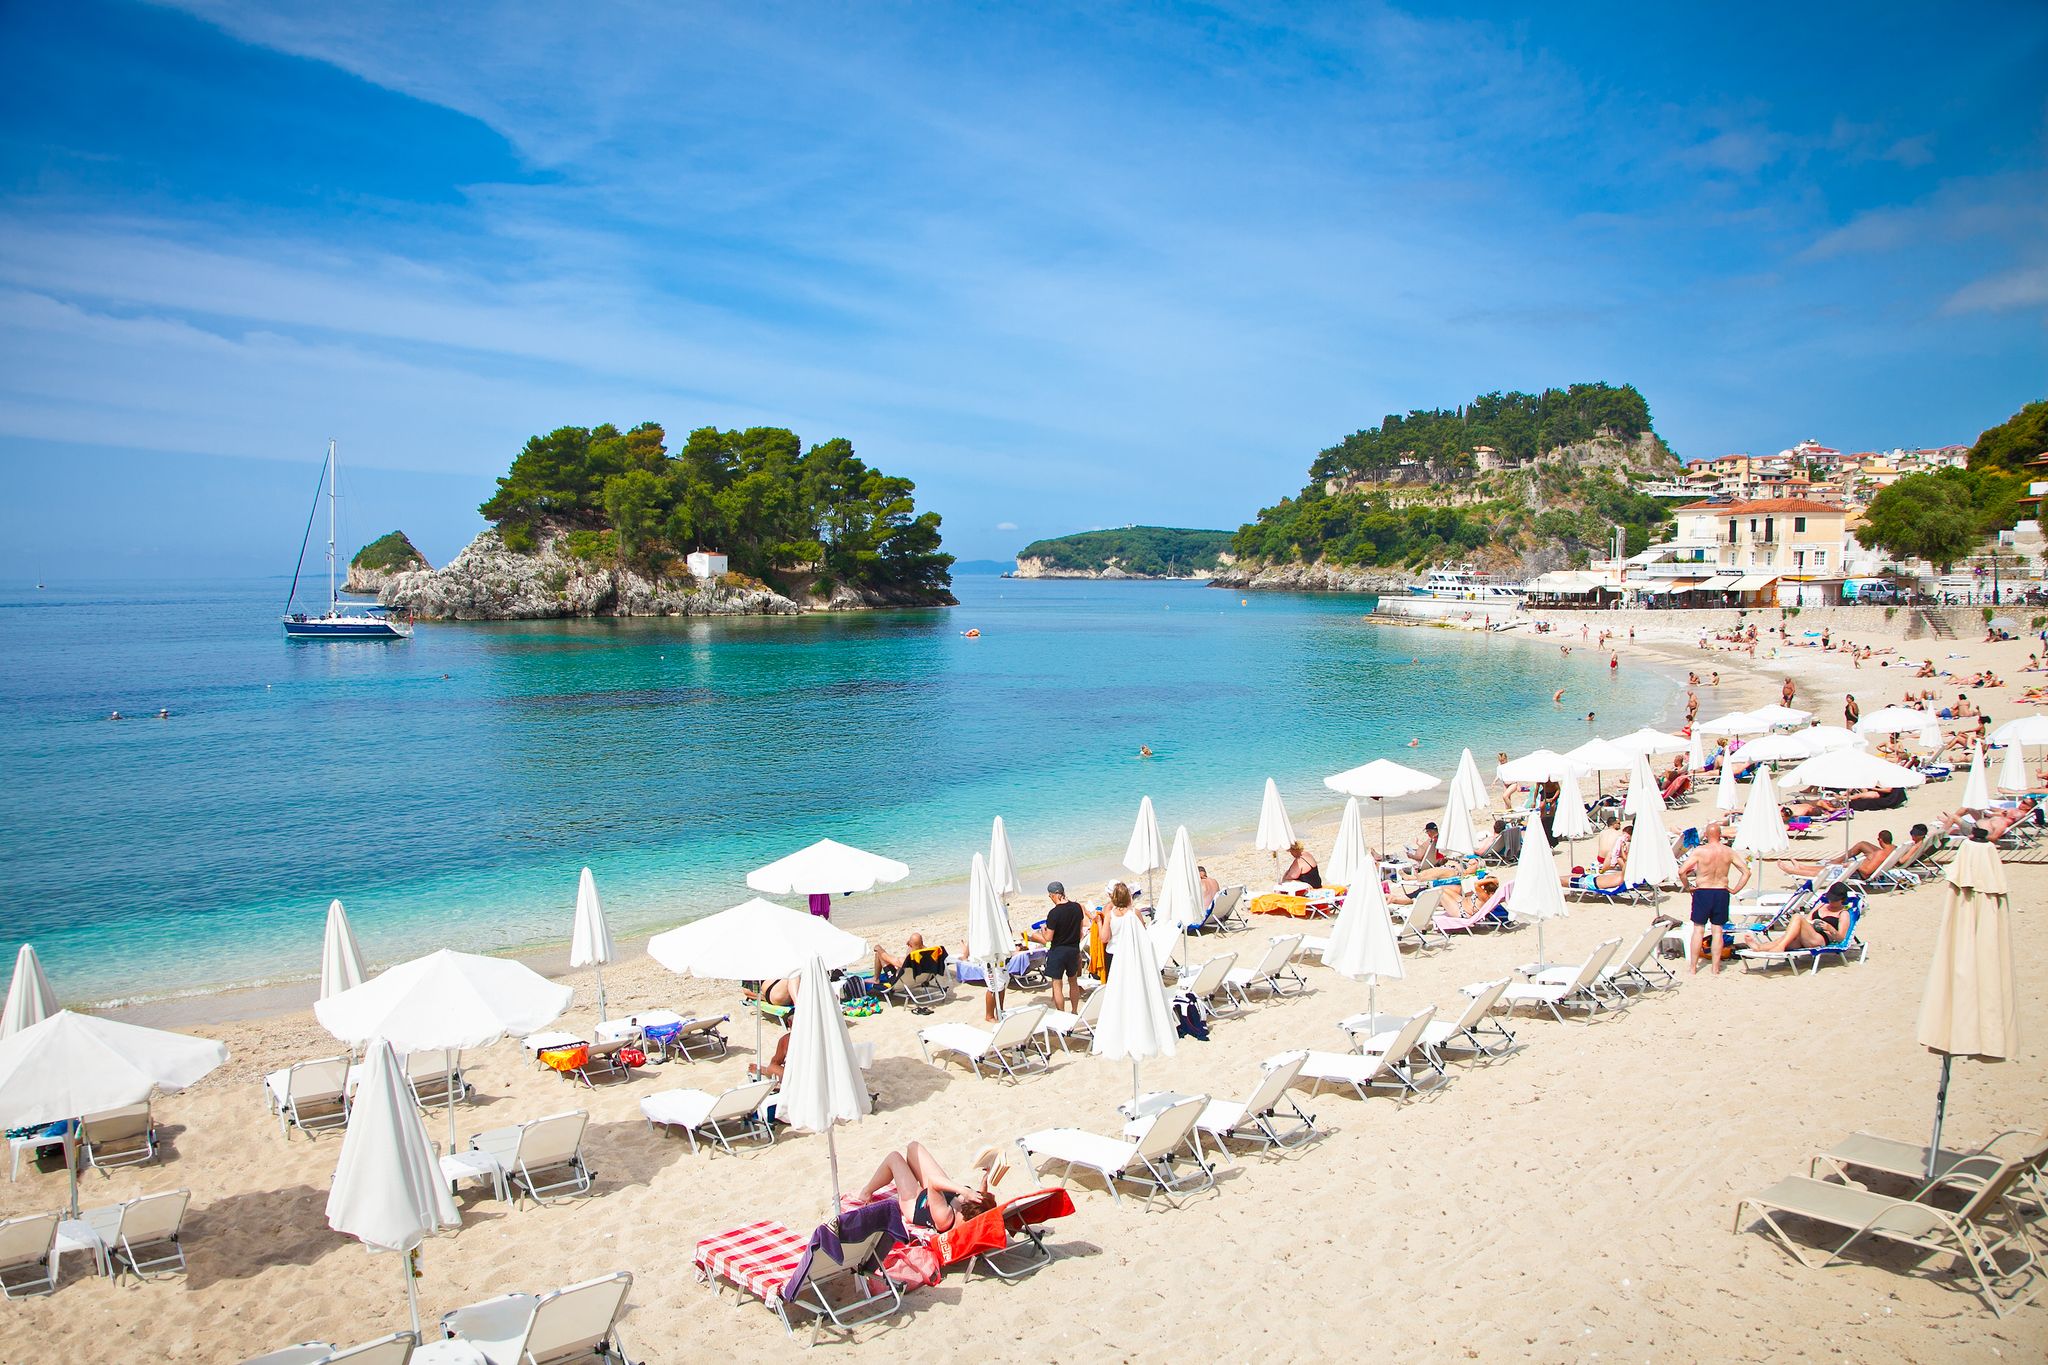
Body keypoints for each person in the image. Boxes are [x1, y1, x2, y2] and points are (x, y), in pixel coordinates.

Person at [854, 1142, 1003, 1234]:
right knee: (913, 1147)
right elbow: (982, 1208)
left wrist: (964, 1191)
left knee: (894, 1157)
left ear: (967, 1211)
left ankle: (866, 1192)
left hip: (916, 1203)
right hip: (938, 1195)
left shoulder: (946, 1219)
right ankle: (909, 1175)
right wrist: (985, 1179)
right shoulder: (970, 1213)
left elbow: (932, 1182)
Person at [1676, 823, 1749, 975]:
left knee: (1698, 930)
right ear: (1720, 835)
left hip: (1703, 891)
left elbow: (1682, 871)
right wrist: (1735, 889)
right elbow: (1746, 872)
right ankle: (1715, 968)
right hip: (1721, 892)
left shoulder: (1700, 851)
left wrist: (1688, 887)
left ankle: (1693, 968)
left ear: (1706, 835)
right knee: (1717, 931)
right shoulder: (1728, 851)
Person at [1739, 884, 1851, 953]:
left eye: (1835, 900)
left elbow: (1841, 938)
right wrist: (1811, 923)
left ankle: (1780, 947)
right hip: (1808, 935)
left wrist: (1830, 928)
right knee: (1788, 937)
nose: (1831, 902)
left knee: (1797, 917)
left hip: (1820, 939)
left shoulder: (1843, 914)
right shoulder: (1821, 905)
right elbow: (1807, 920)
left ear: (1842, 899)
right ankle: (1759, 947)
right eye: (1830, 899)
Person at [1031, 882, 1085, 1012]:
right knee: (1073, 982)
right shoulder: (1077, 907)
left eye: (1050, 896)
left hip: (1058, 951)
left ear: (1054, 894)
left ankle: (1061, 1013)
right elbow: (1080, 933)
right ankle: (1074, 1011)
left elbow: (1048, 938)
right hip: (1073, 949)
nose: (1050, 898)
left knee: (1057, 984)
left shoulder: (1054, 913)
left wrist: (1043, 929)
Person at [1778, 830, 1895, 881]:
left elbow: (1866, 872)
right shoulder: (1894, 849)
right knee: (1828, 868)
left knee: (1824, 873)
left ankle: (1793, 871)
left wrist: (1854, 864)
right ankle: (1802, 867)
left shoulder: (1881, 853)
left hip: (1856, 873)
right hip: (1855, 870)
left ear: (1880, 840)